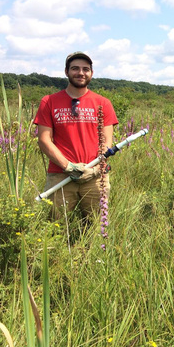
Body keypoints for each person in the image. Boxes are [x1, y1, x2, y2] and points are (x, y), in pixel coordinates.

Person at [34, 52, 118, 221]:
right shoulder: (49, 101)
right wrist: (69, 167)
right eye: (75, 68)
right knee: (55, 226)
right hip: (60, 175)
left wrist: (93, 169)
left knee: (97, 227)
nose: (81, 73)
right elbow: (44, 140)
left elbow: (107, 142)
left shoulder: (103, 103)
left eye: (85, 69)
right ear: (66, 72)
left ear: (91, 73)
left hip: (95, 177)